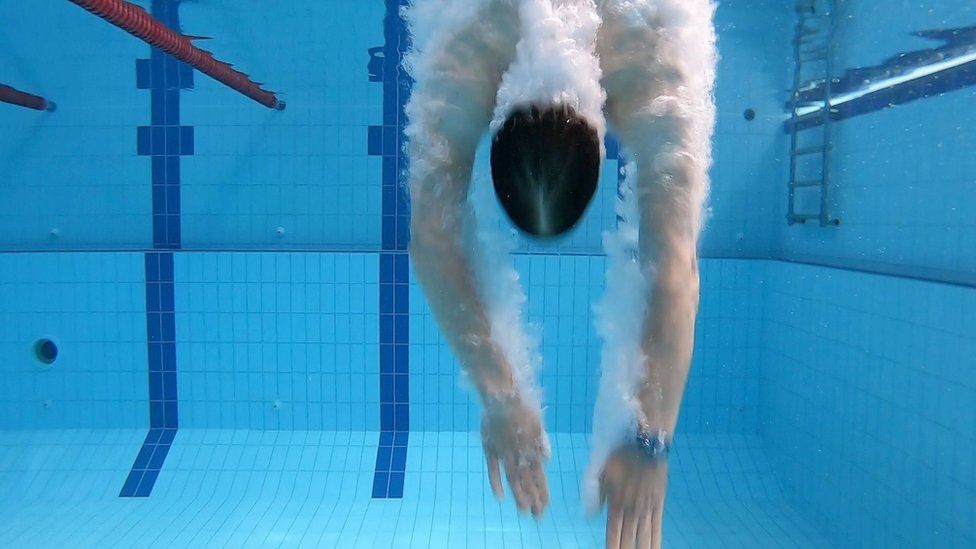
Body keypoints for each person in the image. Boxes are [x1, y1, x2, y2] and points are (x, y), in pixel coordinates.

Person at [404, 0, 716, 547]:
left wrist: (652, 442)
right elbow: (673, 267)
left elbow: (675, 273)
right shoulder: (467, 58)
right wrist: (500, 394)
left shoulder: (652, 58)